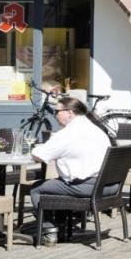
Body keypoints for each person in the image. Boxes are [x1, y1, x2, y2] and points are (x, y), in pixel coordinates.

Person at [30, 97, 111, 240]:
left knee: (37, 188)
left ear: (70, 112)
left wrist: (31, 149)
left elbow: (39, 155)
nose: (54, 115)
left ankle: (49, 232)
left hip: (88, 187)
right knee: (58, 183)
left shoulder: (67, 134)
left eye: (57, 111)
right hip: (109, 185)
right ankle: (61, 226)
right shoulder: (95, 129)